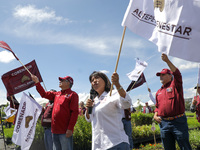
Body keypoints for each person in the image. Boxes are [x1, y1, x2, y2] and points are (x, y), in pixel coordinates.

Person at [153, 53, 192, 150]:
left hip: (178, 122)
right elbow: (157, 106)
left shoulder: (175, 85)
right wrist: (155, 115)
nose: (160, 77)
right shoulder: (158, 92)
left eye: (163, 74)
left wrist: (167, 61)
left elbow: (178, 74)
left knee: (185, 147)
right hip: (164, 124)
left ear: (170, 76)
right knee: (168, 148)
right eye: (159, 75)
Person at [85, 71, 132, 150]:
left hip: (116, 143)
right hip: (99, 146)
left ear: (105, 80)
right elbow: (89, 119)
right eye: (92, 80)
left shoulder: (113, 94)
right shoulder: (94, 100)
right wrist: (88, 108)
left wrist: (117, 84)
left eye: (97, 78)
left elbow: (126, 103)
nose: (94, 81)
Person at [31, 75, 79, 150]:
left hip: (65, 131)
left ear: (68, 83)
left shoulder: (73, 95)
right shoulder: (56, 94)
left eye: (62, 80)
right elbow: (43, 94)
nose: (60, 81)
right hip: (54, 131)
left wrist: (70, 129)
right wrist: (37, 82)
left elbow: (75, 113)